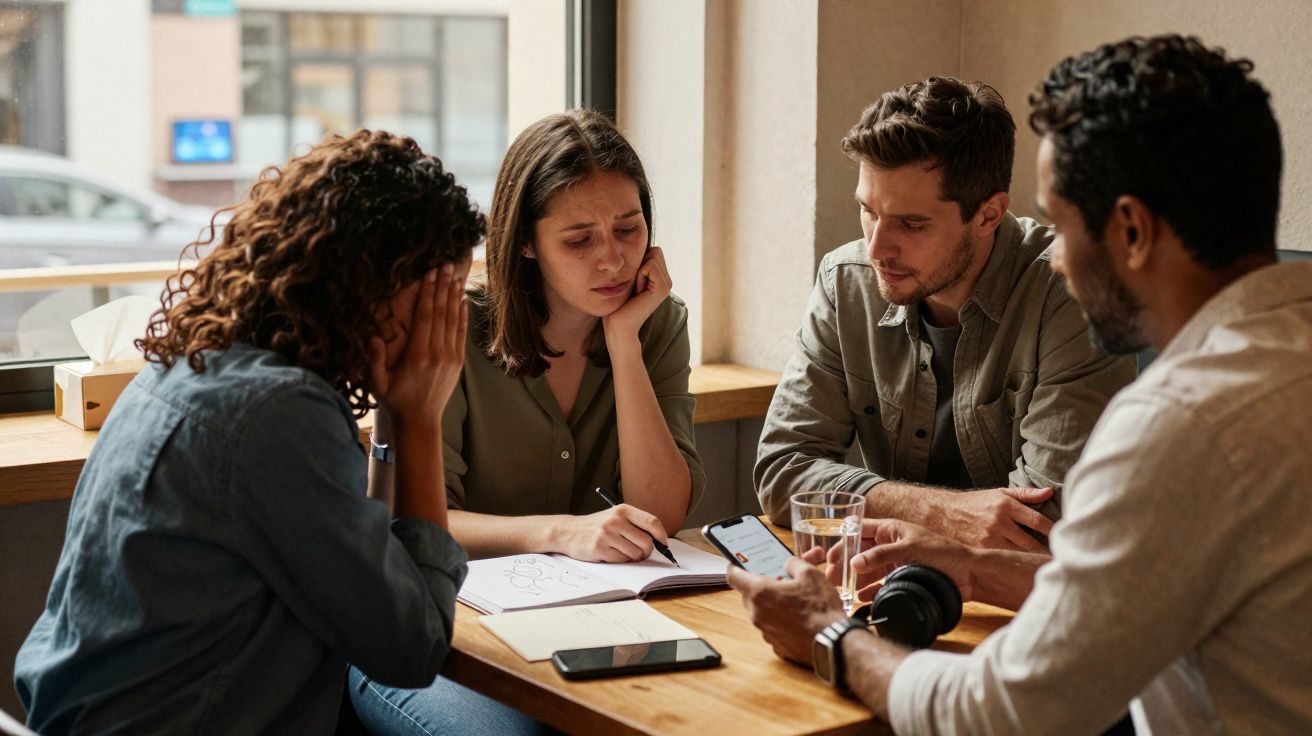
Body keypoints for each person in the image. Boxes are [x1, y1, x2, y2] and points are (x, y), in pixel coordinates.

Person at [729, 34, 1312, 734]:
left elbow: (1006, 713)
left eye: (1063, 226)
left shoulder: (1178, 425)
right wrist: (972, 566)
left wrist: (832, 636)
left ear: (1130, 230)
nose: (1059, 258)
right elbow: (1123, 587)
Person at [13, 130, 483, 733]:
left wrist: (394, 414)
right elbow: (410, 650)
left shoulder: (192, 364)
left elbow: (370, 577)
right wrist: (421, 420)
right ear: (367, 283)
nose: (442, 328)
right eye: (437, 300)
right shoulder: (280, 414)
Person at [350, 109, 705, 734]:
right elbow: (418, 525)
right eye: (579, 240)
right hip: (439, 634)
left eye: (629, 228)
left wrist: (624, 340)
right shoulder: (451, 325)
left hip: (586, 623)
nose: (613, 261)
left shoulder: (657, 322)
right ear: (524, 242)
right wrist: (561, 532)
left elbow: (661, 512)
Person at [755, 77, 1136, 551]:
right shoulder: (845, 281)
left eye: (911, 223)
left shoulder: (1071, 291)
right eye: (868, 211)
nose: (877, 248)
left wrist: (872, 507)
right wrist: (944, 513)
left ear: (988, 215)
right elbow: (783, 469)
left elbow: (1046, 520)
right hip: (895, 582)